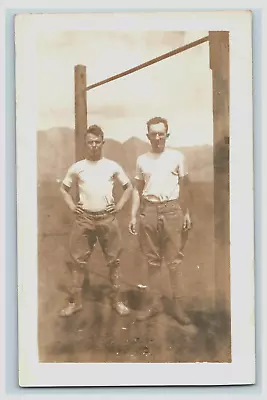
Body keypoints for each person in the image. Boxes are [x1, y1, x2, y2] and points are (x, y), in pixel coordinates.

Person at [59, 124, 133, 317]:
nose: (93, 145)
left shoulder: (112, 166)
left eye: (97, 142)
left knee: (114, 261)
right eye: (90, 142)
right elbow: (63, 189)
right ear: (86, 143)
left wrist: (118, 207)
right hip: (84, 219)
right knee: (78, 262)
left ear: (103, 143)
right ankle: (76, 303)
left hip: (107, 218)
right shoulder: (78, 167)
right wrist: (72, 206)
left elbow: (129, 187)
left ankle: (117, 302)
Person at [129, 117, 192, 325]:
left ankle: (179, 307)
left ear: (167, 134)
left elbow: (185, 187)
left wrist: (187, 213)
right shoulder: (142, 160)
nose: (157, 137)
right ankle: (154, 303)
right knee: (152, 261)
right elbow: (137, 191)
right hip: (149, 210)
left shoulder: (177, 157)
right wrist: (133, 215)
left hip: (172, 210)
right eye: (153, 134)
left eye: (161, 133)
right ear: (148, 136)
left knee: (174, 262)